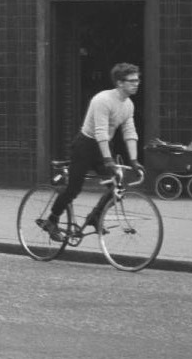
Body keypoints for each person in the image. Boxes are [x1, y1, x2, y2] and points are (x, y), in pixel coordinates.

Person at [40, 63, 144, 239]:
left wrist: (134, 160)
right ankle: (52, 219)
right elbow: (100, 131)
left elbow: (129, 132)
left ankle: (95, 217)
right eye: (132, 80)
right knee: (74, 189)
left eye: (138, 79)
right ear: (119, 83)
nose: (137, 83)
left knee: (116, 189)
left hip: (103, 146)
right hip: (85, 146)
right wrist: (108, 160)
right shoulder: (102, 100)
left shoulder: (128, 105)